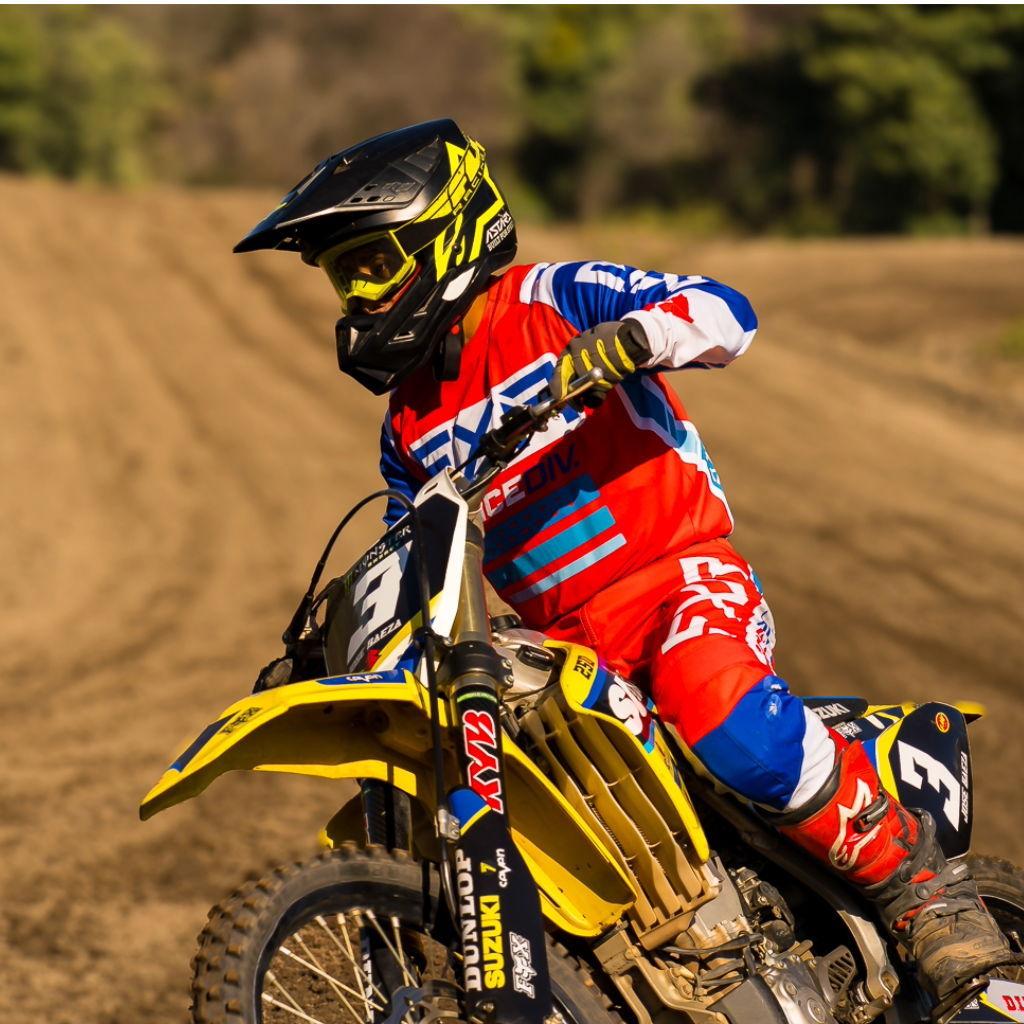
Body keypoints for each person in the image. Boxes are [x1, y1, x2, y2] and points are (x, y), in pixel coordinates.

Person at [234, 118, 1017, 1004]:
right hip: (565, 645)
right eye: (343, 276)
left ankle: (922, 888)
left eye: (372, 264)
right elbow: (415, 544)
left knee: (713, 701)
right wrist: (327, 638)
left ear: (442, 237)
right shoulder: (407, 424)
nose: (357, 294)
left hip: (680, 578)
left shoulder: (551, 297)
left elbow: (725, 312)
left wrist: (637, 338)